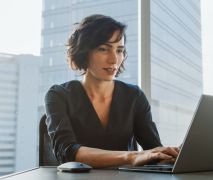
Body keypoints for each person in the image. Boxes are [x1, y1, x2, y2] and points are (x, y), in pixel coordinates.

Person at [44, 14, 179, 168]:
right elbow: (66, 152)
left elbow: (153, 149)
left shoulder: (134, 96)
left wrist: (172, 155)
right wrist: (132, 157)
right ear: (84, 52)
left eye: (119, 50)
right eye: (103, 49)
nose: (114, 59)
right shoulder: (58, 95)